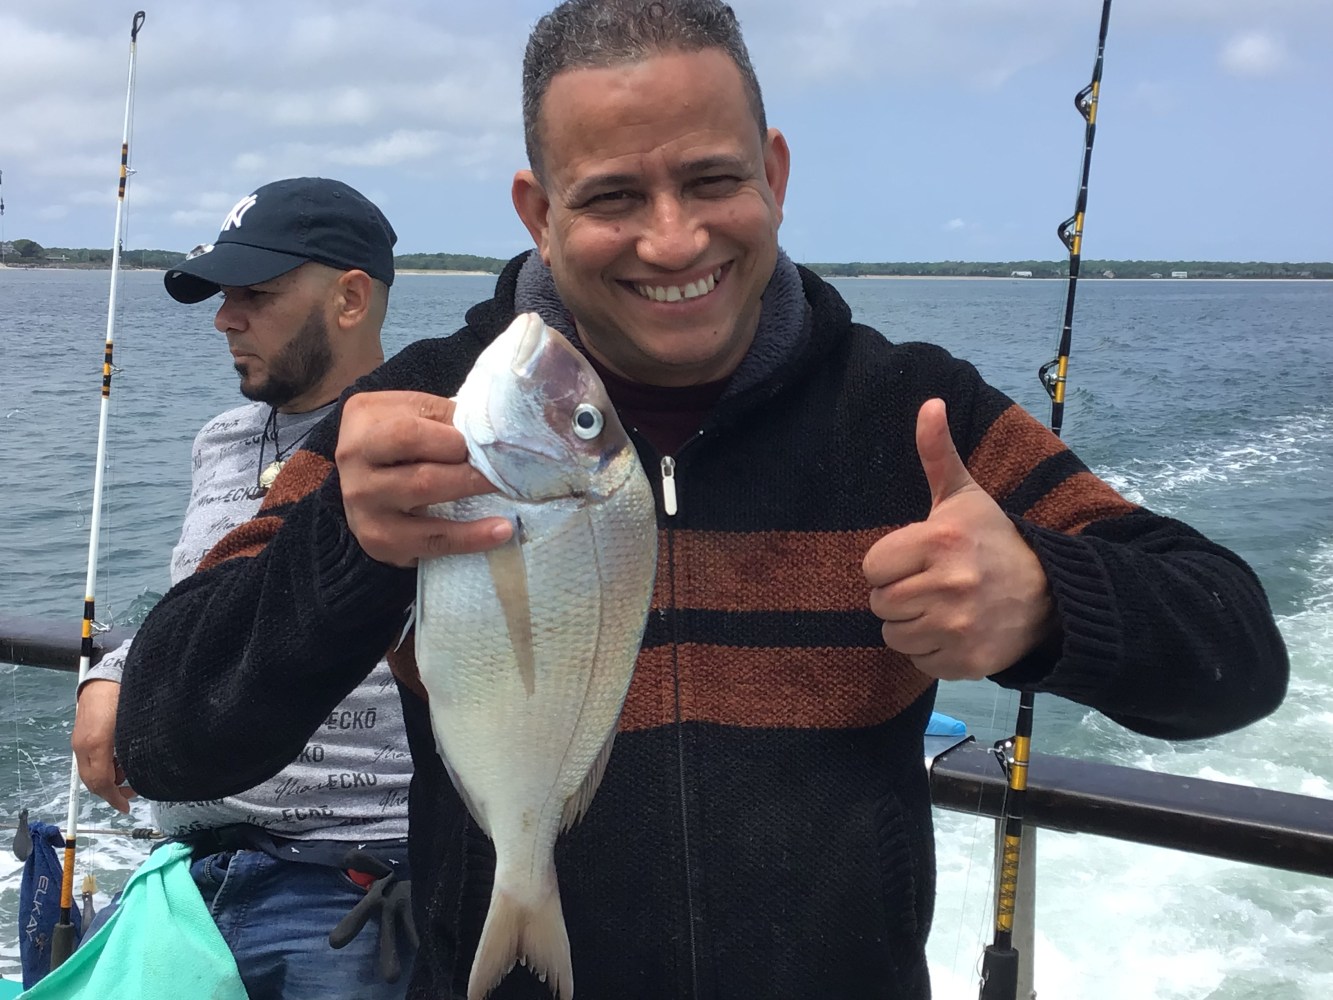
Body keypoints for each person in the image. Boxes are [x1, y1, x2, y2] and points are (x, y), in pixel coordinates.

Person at [117, 4, 1290, 998]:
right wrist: (345, 546)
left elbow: (1236, 655)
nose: (672, 238)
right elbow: (166, 732)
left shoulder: (913, 413)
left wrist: (1047, 602)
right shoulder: (419, 416)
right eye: (613, 195)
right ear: (537, 210)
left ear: (772, 175)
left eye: (714, 180)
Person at [76, 177, 417, 1000]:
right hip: (188, 879)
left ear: (349, 298)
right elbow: (202, 599)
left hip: (349, 891)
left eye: (255, 295)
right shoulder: (221, 442)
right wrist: (114, 672)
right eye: (223, 295)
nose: (226, 318)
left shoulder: (430, 435)